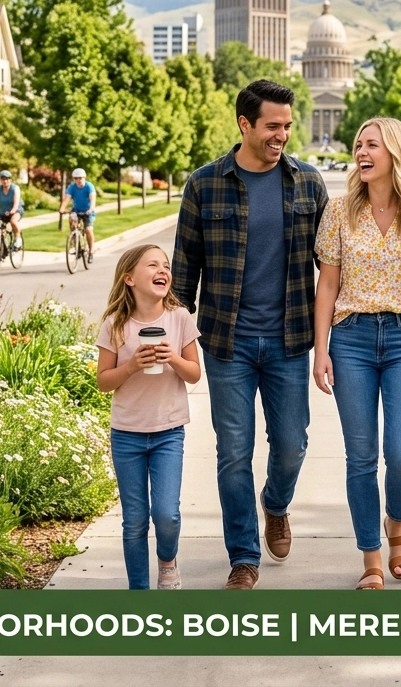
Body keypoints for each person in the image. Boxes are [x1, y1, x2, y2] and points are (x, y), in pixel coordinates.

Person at [172, 80, 329, 591]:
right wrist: (173, 338)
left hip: (288, 340)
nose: (282, 134)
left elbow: (329, 270)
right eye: (272, 126)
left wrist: (332, 339)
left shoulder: (308, 184)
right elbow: (183, 272)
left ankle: (276, 505)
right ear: (245, 124)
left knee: (291, 444)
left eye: (287, 125)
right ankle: (244, 557)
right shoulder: (205, 184)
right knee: (232, 451)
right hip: (227, 343)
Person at [313, 117, 401, 590]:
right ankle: (371, 554)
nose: (361, 152)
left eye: (371, 144)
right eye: (358, 145)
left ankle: (397, 522)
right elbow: (327, 284)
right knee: (361, 456)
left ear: (395, 152)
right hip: (350, 338)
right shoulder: (338, 211)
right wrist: (321, 350)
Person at [96, 244, 201, 591]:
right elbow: (102, 381)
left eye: (166, 265)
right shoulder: (115, 324)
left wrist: (171, 358)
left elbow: (194, 374)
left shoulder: (179, 318)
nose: (163, 270)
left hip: (168, 432)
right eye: (152, 265)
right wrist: (130, 366)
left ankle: (167, 561)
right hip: (126, 434)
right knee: (135, 520)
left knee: (166, 516)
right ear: (129, 278)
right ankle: (139, 594)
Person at [60, 167, 97, 263]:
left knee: (88, 229)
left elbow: (92, 199)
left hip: (88, 211)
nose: (78, 180)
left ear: (84, 177)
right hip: (76, 210)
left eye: (80, 178)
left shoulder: (89, 186)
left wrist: (90, 209)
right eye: (76, 178)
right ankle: (77, 245)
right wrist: (62, 208)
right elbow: (67, 198)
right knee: (73, 223)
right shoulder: (72, 187)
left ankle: (91, 251)